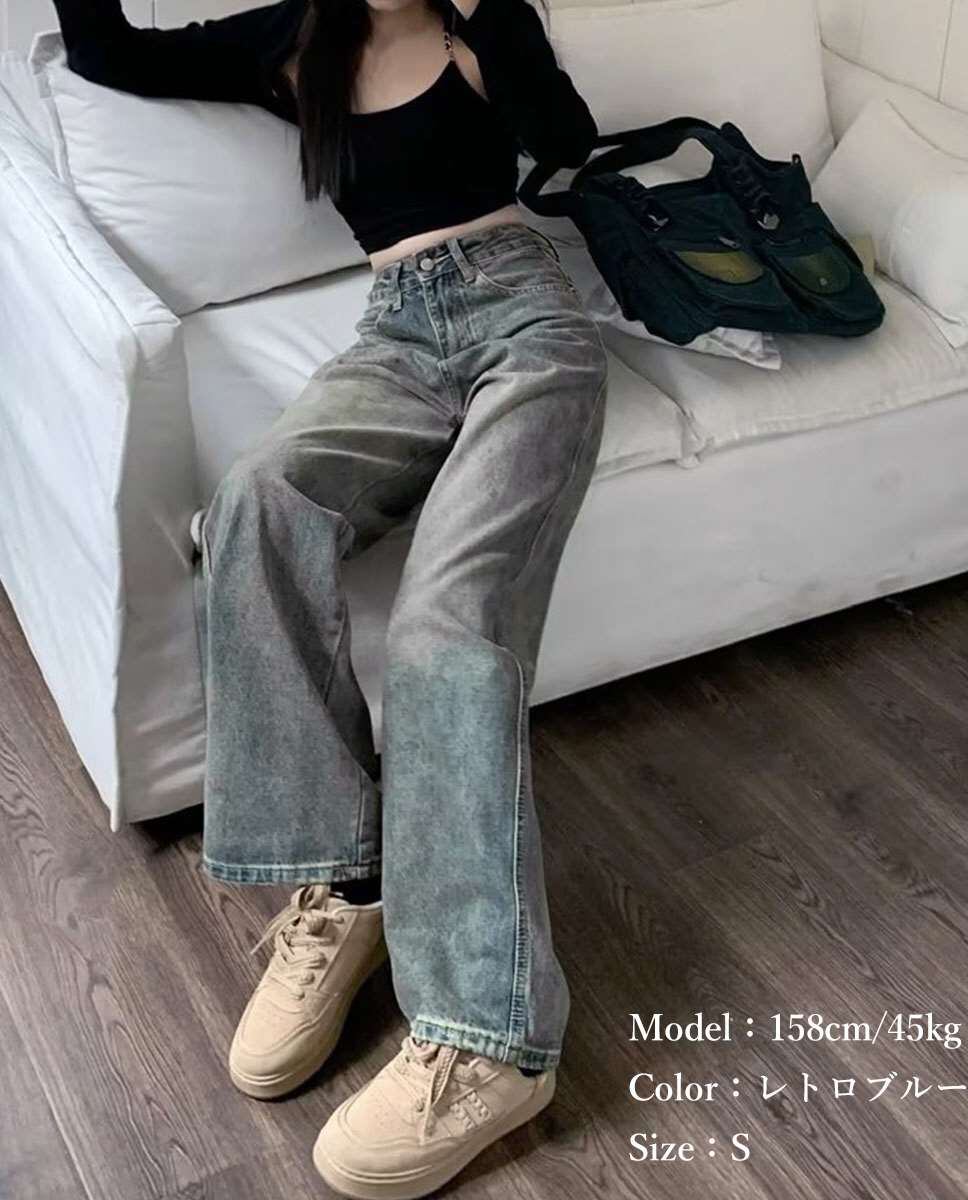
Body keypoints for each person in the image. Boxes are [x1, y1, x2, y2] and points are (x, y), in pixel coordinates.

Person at [53, 0, 607, 1194]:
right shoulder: (289, 41)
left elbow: (568, 138)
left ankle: (488, 1037)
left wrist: (494, 35)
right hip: (394, 335)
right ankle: (347, 887)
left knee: (446, 631)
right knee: (254, 505)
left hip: (529, 322)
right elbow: (106, 54)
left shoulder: (484, 21)